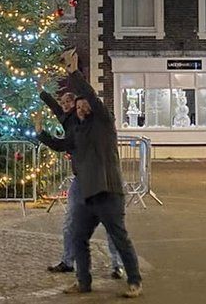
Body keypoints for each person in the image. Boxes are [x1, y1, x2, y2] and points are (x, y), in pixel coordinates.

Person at [34, 49, 142, 298]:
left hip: (107, 190)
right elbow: (61, 144)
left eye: (83, 104)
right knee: (78, 237)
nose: (81, 108)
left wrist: (73, 72)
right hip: (86, 192)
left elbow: (91, 95)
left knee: (119, 236)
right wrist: (41, 133)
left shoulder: (104, 123)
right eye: (79, 105)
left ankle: (134, 280)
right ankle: (83, 282)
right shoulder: (77, 132)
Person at [39, 82, 125, 279]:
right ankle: (69, 262)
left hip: (103, 180)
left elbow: (91, 98)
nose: (70, 106)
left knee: (111, 224)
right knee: (72, 223)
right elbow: (61, 140)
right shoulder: (69, 122)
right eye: (68, 104)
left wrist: (74, 73)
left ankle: (117, 264)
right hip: (80, 180)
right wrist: (43, 96)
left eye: (74, 103)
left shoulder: (98, 123)